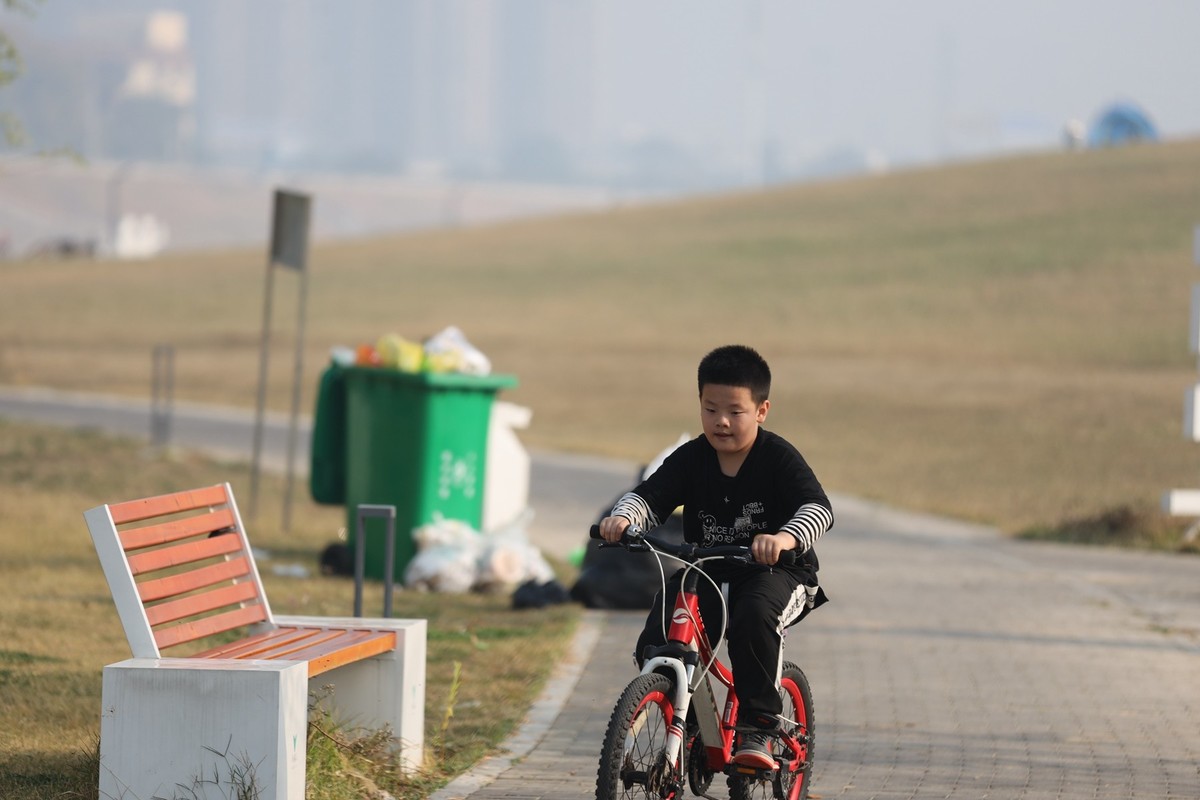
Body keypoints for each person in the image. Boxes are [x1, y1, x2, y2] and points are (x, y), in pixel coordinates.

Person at [598, 344, 833, 770]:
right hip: (707, 570)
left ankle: (759, 725)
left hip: (778, 573)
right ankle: (682, 710)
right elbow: (650, 497)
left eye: (735, 411)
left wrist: (783, 538)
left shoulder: (777, 457)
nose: (721, 421)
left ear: (761, 410)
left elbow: (818, 509)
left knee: (753, 615)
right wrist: (624, 518)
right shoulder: (692, 458)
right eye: (710, 409)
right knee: (662, 628)